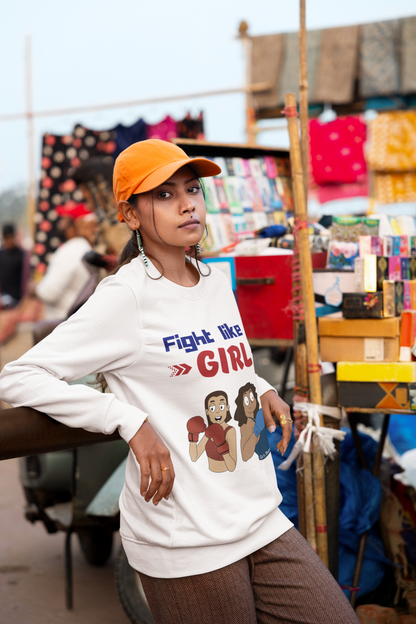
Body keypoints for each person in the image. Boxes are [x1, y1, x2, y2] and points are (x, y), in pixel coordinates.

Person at [0, 140, 359, 624]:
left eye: (192, 189)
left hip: (257, 512)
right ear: (129, 215)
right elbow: (20, 375)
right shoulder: (124, 297)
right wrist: (127, 420)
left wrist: (259, 385)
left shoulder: (213, 280)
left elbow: (213, 359)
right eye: (165, 195)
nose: (188, 203)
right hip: (186, 537)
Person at [35, 203, 98, 320]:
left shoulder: (71, 250)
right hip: (78, 320)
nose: (60, 223)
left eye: (65, 220)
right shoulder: (84, 248)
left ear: (75, 227)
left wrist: (35, 288)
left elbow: (48, 293)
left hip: (64, 322)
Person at [0, 223, 25, 307]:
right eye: (6, 238)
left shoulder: (21, 255)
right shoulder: (1, 253)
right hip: (2, 295)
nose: (9, 240)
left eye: (10, 237)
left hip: (16, 298)